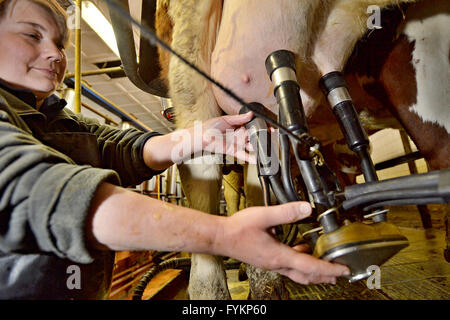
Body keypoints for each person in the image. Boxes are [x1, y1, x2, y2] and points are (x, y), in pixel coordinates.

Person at [0, 0, 349, 299]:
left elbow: (112, 148)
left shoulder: (52, 116)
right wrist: (220, 236)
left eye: (59, 43)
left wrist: (194, 137)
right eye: (32, 34)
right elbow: (31, 192)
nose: (55, 54)